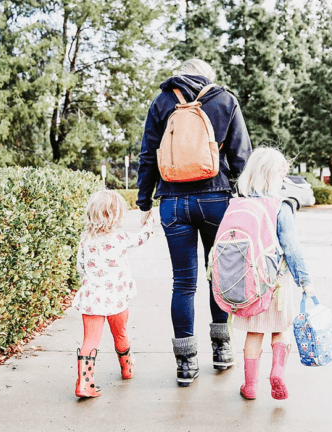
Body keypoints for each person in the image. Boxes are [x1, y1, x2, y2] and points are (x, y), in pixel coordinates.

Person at [136, 59, 252, 386]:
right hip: (217, 200)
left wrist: (145, 201)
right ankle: (222, 348)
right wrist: (250, 199)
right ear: (207, 76)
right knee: (220, 274)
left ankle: (185, 364)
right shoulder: (225, 100)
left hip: (172, 202)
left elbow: (148, 154)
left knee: (183, 282)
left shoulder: (162, 102)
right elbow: (242, 155)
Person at [233, 148, 314, 400]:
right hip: (277, 282)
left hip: (249, 282)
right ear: (274, 176)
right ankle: (277, 371)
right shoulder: (281, 206)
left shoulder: (238, 203)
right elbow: (291, 247)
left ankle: (251, 387)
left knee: (254, 332)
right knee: (281, 328)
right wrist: (305, 281)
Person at [72, 190, 154, 398]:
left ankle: (85, 383)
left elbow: (80, 268)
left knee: (90, 340)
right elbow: (142, 238)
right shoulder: (120, 237)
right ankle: (127, 368)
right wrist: (149, 223)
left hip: (92, 300)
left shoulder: (85, 240)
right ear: (117, 216)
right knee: (121, 335)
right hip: (117, 299)